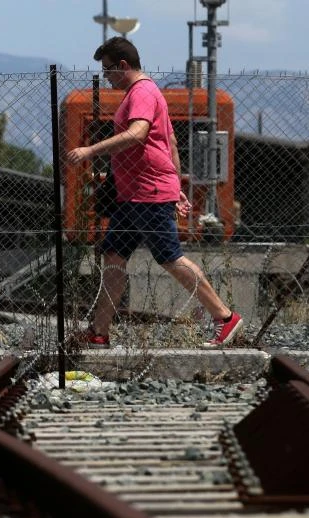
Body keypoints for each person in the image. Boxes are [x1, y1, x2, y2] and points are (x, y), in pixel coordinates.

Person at [66, 36, 243, 349]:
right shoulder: (144, 93)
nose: (106, 78)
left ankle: (225, 317)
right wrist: (176, 186)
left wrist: (89, 149)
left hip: (147, 193)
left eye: (108, 71)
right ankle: (99, 331)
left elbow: (138, 134)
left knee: (170, 258)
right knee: (114, 256)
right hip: (133, 195)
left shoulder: (143, 92)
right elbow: (169, 143)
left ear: (123, 66)